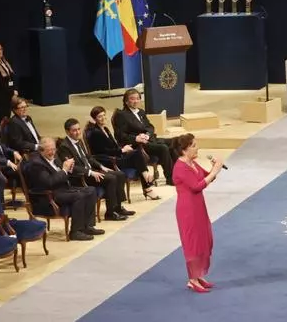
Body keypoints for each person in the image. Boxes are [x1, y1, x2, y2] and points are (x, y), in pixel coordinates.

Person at [172, 133, 224, 293]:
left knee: (203, 238)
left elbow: (206, 177)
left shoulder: (192, 163)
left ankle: (199, 274)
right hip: (187, 209)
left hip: (198, 205)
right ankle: (192, 279)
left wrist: (213, 169)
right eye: (194, 145)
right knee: (193, 242)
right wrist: (215, 171)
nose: (197, 148)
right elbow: (196, 186)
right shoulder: (180, 167)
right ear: (184, 150)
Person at [26, 137, 102, 241]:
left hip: (63, 189)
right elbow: (49, 182)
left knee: (91, 190)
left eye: (54, 149)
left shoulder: (55, 157)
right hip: (49, 195)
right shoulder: (37, 164)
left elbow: (62, 174)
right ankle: (75, 232)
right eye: (49, 150)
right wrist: (64, 171)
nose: (52, 152)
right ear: (41, 150)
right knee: (79, 196)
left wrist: (68, 171)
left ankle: (87, 227)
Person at [57, 118, 132, 221]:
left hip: (91, 171)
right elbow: (71, 167)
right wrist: (90, 172)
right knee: (111, 178)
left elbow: (88, 157)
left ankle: (118, 208)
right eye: (74, 130)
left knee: (120, 174)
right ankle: (110, 213)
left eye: (79, 129)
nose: (78, 132)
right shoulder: (64, 146)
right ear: (67, 131)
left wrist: (101, 166)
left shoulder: (79, 141)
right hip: (81, 177)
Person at [85, 106, 160, 200]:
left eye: (104, 115)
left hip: (116, 156)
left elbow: (114, 146)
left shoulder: (106, 129)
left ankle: (147, 184)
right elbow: (103, 151)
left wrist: (123, 148)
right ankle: (148, 183)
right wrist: (121, 150)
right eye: (100, 116)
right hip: (108, 161)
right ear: (94, 118)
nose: (103, 118)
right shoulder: (95, 133)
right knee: (137, 156)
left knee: (137, 154)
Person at [112, 89, 175, 186]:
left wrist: (147, 134)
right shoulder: (122, 115)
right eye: (132, 99)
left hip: (149, 139)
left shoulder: (141, 112)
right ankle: (170, 178)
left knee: (174, 142)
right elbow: (120, 135)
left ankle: (178, 174)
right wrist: (136, 138)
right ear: (126, 101)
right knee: (163, 148)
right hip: (137, 145)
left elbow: (150, 126)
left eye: (137, 98)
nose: (136, 101)